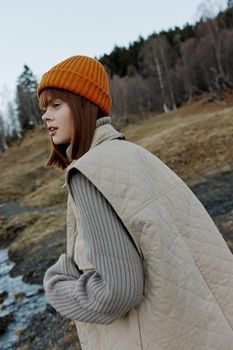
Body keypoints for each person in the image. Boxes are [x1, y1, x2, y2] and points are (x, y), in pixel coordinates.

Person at [37, 55, 233, 350]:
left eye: (56, 105)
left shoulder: (88, 172)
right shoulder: (133, 154)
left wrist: (57, 285)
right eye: (44, 109)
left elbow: (119, 292)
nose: (45, 117)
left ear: (84, 105)